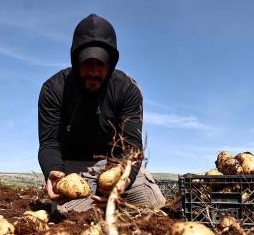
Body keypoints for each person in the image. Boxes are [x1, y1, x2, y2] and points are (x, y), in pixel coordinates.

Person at [38, 13, 165, 213]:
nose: (94, 72)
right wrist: (53, 170)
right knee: (71, 216)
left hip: (116, 166)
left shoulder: (127, 89)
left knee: (153, 205)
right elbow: (49, 143)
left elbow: (132, 147)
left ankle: (114, 203)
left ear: (111, 63)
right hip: (74, 169)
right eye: (88, 63)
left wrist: (124, 181)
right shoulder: (54, 89)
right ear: (76, 61)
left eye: (101, 64)